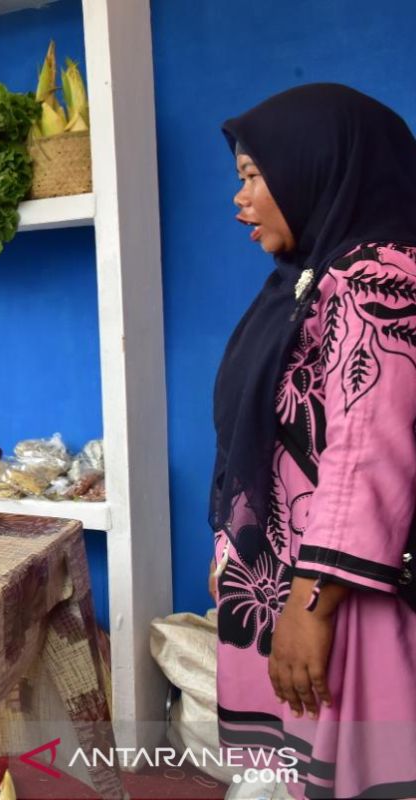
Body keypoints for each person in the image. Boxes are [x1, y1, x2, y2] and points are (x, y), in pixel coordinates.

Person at [211, 84, 416, 800]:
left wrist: (309, 607)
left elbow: (366, 454)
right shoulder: (304, 282)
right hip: (291, 582)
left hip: (339, 595)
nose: (241, 199)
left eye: (253, 177)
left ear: (316, 166)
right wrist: (233, 550)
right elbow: (260, 438)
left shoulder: (376, 281)